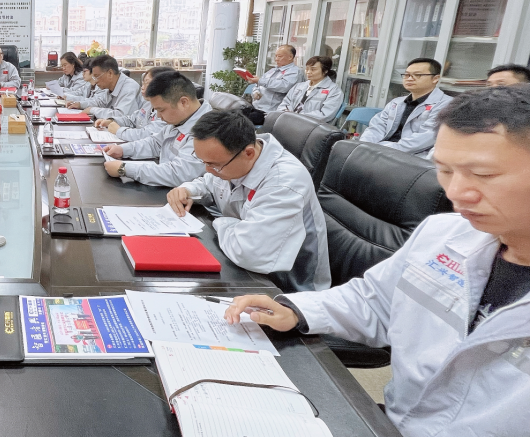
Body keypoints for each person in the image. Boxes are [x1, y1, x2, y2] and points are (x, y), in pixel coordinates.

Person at [224, 86, 530, 437]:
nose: (456, 193)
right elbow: (376, 300)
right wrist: (296, 310)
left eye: (484, 174)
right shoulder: (444, 234)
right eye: (445, 171)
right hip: (393, 424)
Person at [166, 110, 330, 292]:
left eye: (214, 164)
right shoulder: (234, 159)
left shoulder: (284, 182)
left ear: (249, 153)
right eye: (204, 162)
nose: (208, 170)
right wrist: (188, 190)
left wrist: (219, 222)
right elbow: (209, 183)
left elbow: (248, 253)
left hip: (285, 288)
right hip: (240, 267)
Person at [103, 71, 210, 187]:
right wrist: (122, 150)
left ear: (183, 102)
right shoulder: (181, 118)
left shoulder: (208, 130)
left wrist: (125, 169)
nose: (158, 116)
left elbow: (179, 173)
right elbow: (155, 143)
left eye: (161, 110)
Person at [359, 57, 450, 157]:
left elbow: (423, 139)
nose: (409, 78)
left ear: (435, 78)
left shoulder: (447, 106)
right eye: (407, 75)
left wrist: (380, 148)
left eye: (418, 75)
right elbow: (376, 127)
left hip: (413, 158)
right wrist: (364, 146)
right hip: (381, 152)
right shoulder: (396, 103)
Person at [95, 67, 176, 141]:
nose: (142, 87)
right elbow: (132, 119)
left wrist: (119, 131)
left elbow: (147, 134)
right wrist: (112, 121)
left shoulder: (167, 111)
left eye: (147, 83)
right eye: (143, 83)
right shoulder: (148, 104)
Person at [66, 55, 141, 124]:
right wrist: (80, 104)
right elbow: (99, 102)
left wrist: (92, 110)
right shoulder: (110, 86)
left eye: (97, 76)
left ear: (110, 73)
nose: (95, 81)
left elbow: (121, 116)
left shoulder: (129, 88)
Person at [277, 55, 344, 123]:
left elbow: (325, 115)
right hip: (288, 122)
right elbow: (284, 104)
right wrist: (285, 113)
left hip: (311, 126)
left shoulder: (334, 91)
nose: (308, 72)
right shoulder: (299, 86)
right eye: (307, 69)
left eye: (313, 69)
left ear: (325, 71)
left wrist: (297, 117)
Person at [250, 45, 305, 112]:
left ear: (290, 57)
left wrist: (260, 81)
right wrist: (256, 92)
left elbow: (283, 86)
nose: (276, 59)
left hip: (272, 111)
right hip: (257, 107)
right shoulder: (273, 70)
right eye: (275, 56)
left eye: (279, 56)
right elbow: (259, 84)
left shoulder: (295, 72)